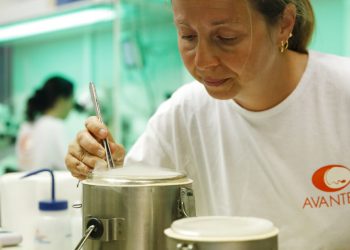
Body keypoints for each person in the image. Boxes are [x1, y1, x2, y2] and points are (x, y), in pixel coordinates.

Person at [65, 0, 350, 249]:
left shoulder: (341, 93)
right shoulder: (183, 114)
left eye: (226, 37)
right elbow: (127, 207)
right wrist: (103, 170)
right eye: (188, 36)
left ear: (284, 25)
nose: (203, 61)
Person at [16, 76, 74, 171]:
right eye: (72, 100)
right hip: (47, 185)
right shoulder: (55, 126)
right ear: (61, 100)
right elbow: (70, 167)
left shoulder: (26, 126)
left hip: (25, 184)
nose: (71, 107)